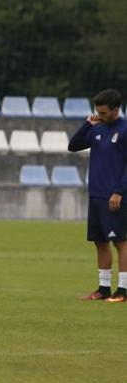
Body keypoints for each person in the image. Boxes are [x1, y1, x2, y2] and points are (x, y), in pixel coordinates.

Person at [68, 89, 127, 302]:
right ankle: (103, 288)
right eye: (97, 112)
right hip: (96, 194)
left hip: (116, 196)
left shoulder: (125, 129)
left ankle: (123, 290)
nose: (99, 116)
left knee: (120, 241)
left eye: (103, 113)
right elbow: (73, 146)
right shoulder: (97, 128)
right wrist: (87, 123)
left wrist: (119, 191)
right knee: (100, 241)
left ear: (115, 110)